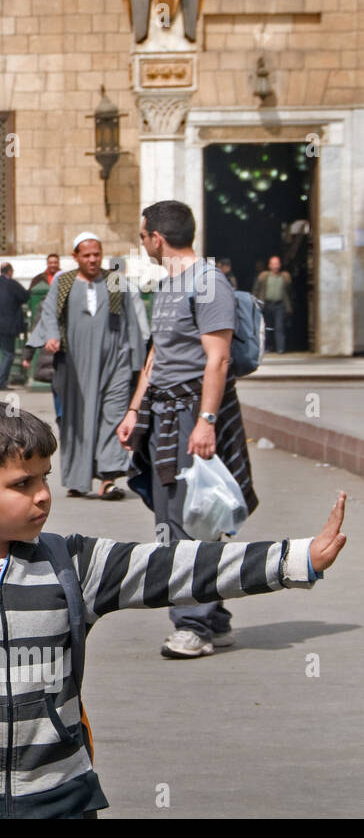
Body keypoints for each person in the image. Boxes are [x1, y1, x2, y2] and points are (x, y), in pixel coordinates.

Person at [0, 401, 347, 817]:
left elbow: (177, 566)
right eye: (22, 483)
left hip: (61, 797)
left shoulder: (70, 564)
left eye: (45, 476)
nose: (43, 494)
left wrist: (294, 559)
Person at [120, 201, 261, 658]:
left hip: (191, 415)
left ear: (157, 238)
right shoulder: (169, 284)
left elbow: (217, 357)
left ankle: (193, 627)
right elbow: (156, 357)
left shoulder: (208, 282)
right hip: (163, 414)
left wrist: (205, 422)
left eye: (144, 237)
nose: (143, 245)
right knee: (183, 514)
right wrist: (135, 410)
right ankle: (214, 618)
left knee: (185, 520)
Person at [27, 233, 145, 500]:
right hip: (74, 364)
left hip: (114, 363)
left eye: (97, 254)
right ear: (76, 257)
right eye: (87, 255)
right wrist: (52, 336)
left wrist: (136, 362)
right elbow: (48, 315)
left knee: (113, 415)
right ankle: (78, 480)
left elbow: (132, 322)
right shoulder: (64, 283)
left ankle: (108, 478)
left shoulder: (116, 281)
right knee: (76, 421)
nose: (93, 260)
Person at [0, 263, 29, 391]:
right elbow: (25, 296)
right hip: (6, 326)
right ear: (10, 272)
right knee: (8, 354)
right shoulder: (13, 284)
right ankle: (0, 382)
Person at [254, 255, 293, 355]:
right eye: (273, 264)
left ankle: (280, 348)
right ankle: (266, 347)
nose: (275, 266)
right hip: (266, 304)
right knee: (266, 327)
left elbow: (289, 291)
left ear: (280, 265)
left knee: (279, 327)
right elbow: (256, 290)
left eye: (277, 264)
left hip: (279, 305)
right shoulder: (264, 276)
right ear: (269, 265)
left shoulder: (284, 277)